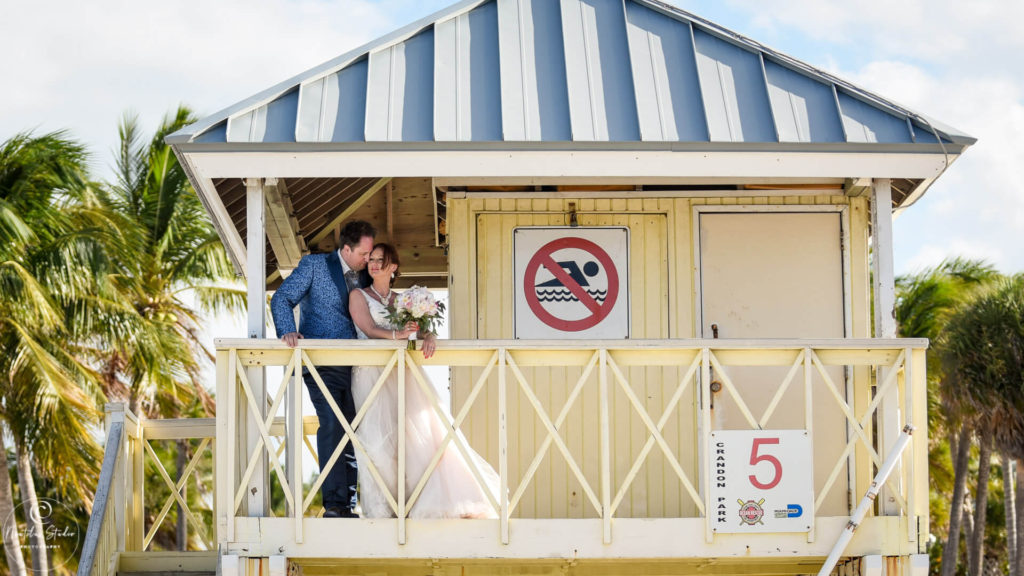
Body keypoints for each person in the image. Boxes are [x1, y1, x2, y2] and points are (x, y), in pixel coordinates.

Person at [349, 243, 499, 518]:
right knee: (377, 440)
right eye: (371, 259)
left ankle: (414, 504)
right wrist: (398, 336)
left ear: (393, 267)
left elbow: (422, 331)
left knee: (417, 437)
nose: (373, 264)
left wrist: (429, 336)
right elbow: (369, 329)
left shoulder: (403, 301)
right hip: (370, 373)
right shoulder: (358, 295)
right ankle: (381, 511)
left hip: (401, 373)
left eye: (381, 260)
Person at [270, 220, 376, 518]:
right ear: (346, 249)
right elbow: (282, 298)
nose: (368, 259)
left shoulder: (366, 275)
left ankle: (348, 504)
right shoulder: (314, 266)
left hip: (354, 366)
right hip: (320, 364)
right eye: (364, 254)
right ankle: (334, 505)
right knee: (331, 424)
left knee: (351, 431)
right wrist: (287, 330)